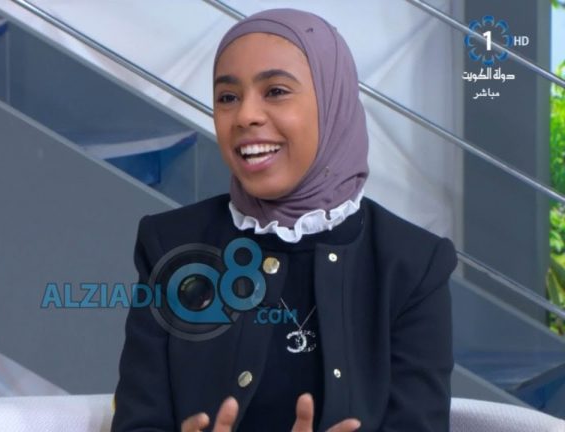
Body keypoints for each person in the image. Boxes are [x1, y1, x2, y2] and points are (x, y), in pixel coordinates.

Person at [112, 8, 457, 432]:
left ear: (332, 103)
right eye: (227, 97)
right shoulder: (169, 245)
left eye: (275, 91)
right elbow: (138, 421)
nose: (245, 116)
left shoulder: (413, 264)